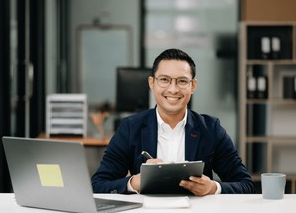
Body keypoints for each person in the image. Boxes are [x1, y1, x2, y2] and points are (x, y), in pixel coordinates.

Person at [91, 48, 254, 195]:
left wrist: (213, 188)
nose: (173, 89)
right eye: (164, 80)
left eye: (182, 81)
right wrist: (135, 182)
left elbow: (246, 185)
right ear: (151, 83)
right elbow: (98, 185)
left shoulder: (211, 129)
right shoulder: (130, 128)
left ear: (193, 86)